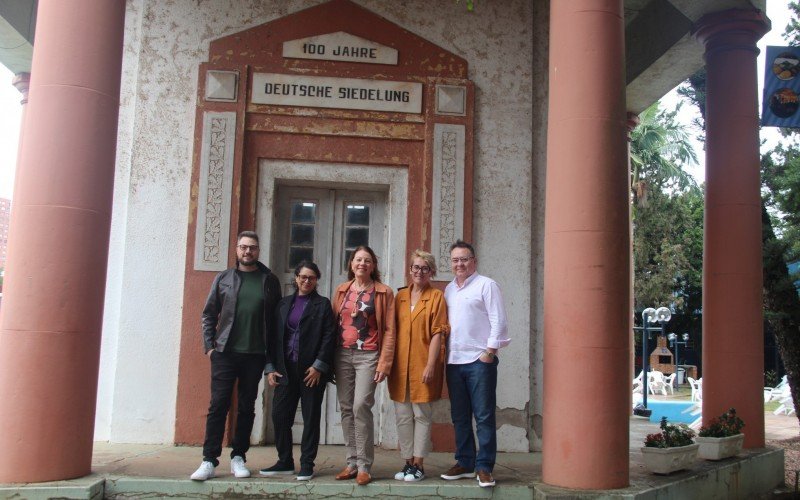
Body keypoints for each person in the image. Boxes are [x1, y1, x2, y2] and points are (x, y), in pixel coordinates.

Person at [191, 231, 282, 481]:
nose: (247, 252)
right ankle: (209, 460)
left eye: (252, 247)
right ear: (236, 249)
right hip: (225, 353)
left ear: (258, 250)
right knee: (218, 405)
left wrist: (271, 359)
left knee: (246, 407)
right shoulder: (224, 278)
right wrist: (210, 346)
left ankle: (238, 457)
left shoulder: (269, 280)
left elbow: (275, 322)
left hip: (255, 355)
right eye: (243, 247)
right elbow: (209, 314)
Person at [440, 240, 509, 488]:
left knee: (483, 416)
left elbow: (498, 320)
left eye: (464, 259)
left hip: (479, 361)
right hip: (454, 361)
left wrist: (489, 352)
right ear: (451, 263)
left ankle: (484, 467)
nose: (460, 264)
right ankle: (465, 462)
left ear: (474, 261)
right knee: (459, 416)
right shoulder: (449, 289)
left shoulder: (486, 285)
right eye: (455, 260)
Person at [259, 261, 336, 481]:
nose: (307, 281)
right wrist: (270, 366)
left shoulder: (322, 305)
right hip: (285, 369)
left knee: (311, 417)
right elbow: (272, 337)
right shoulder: (283, 304)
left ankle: (307, 464)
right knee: (280, 415)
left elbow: (329, 337)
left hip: (311, 372)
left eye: (311, 278)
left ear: (316, 280)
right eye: (303, 277)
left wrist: (319, 366)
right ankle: (284, 461)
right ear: (296, 278)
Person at [331, 245, 395, 486]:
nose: (362, 264)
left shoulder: (383, 292)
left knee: (361, 406)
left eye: (367, 260)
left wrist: (385, 362)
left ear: (373, 265)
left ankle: (365, 466)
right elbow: (333, 324)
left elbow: (389, 330)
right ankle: (351, 463)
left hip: (369, 355)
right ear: (351, 263)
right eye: (358, 260)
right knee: (347, 408)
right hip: (342, 354)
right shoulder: (341, 290)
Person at [388, 250, 449, 482]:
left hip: (424, 364)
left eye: (424, 268)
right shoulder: (400, 297)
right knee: (403, 415)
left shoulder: (436, 297)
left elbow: (438, 333)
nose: (419, 272)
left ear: (431, 271)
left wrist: (431, 364)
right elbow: (391, 331)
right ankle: (406, 463)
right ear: (410, 270)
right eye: (416, 267)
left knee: (421, 414)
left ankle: (419, 465)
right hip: (399, 366)